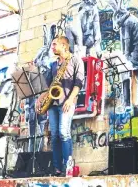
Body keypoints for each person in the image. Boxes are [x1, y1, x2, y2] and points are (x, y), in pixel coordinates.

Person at [37, 36, 84, 176]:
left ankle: (68, 167)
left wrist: (70, 100)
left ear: (64, 46)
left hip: (67, 102)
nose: (52, 47)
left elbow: (79, 83)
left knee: (64, 133)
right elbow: (48, 86)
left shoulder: (76, 60)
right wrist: (40, 98)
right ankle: (57, 169)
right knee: (55, 136)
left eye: (54, 44)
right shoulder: (53, 64)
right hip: (53, 104)